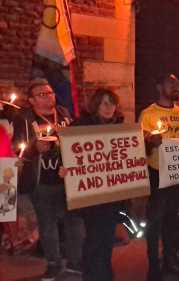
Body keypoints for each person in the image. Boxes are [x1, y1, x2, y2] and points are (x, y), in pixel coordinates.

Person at [11, 78, 82, 281]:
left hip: (68, 179)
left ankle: (75, 263)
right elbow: (17, 148)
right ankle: (53, 263)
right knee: (48, 225)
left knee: (74, 223)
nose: (49, 97)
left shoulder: (64, 113)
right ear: (32, 100)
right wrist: (34, 149)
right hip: (41, 181)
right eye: (42, 94)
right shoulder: (24, 118)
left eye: (50, 93)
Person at [59, 89, 125, 281]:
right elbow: (66, 151)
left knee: (106, 239)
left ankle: (102, 274)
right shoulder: (80, 126)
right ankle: (95, 276)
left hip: (111, 194)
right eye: (103, 103)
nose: (108, 107)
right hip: (90, 195)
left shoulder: (120, 127)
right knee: (95, 239)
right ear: (95, 105)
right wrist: (65, 168)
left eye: (111, 103)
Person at [139, 74, 179, 281]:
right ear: (159, 87)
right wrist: (151, 141)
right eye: (171, 83)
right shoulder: (148, 114)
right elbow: (139, 146)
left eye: (178, 84)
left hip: (178, 176)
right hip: (157, 173)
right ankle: (153, 267)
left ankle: (170, 261)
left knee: (173, 221)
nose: (176, 86)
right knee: (154, 222)